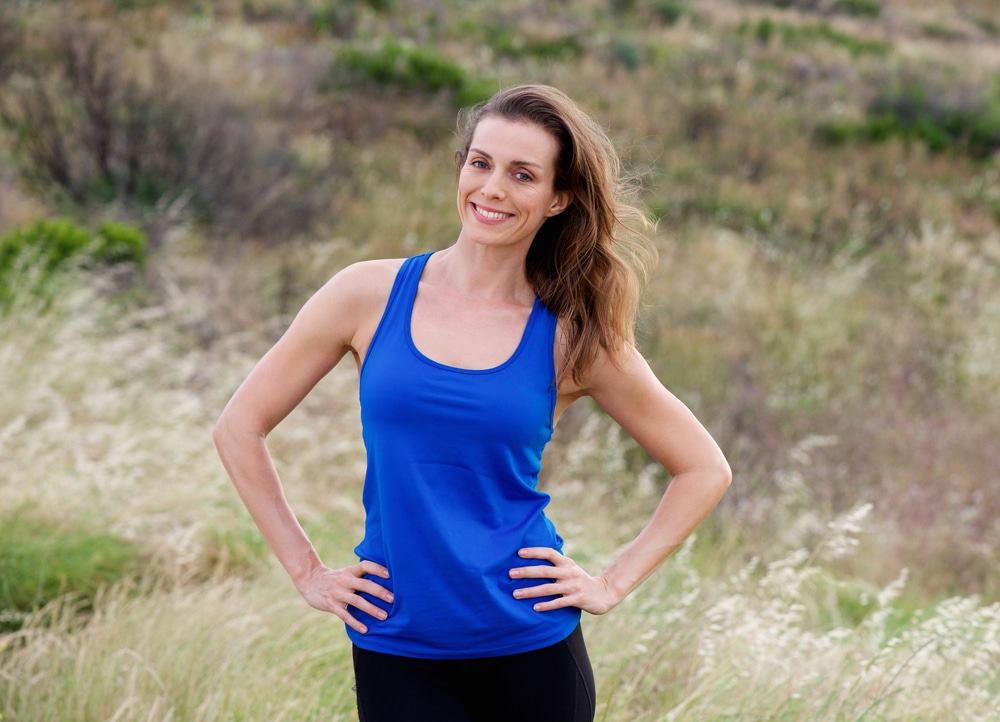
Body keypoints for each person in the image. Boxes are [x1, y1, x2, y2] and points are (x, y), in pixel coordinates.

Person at [213, 83, 731, 721]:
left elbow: (704, 468)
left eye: (522, 175)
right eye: (480, 163)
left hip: (530, 650)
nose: (491, 189)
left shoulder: (573, 335)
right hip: (396, 642)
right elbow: (240, 427)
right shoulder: (365, 295)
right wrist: (307, 571)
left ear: (557, 199)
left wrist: (610, 584)